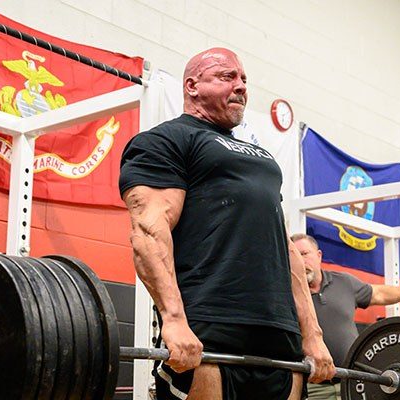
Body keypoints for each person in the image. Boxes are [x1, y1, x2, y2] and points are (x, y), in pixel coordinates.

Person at [119, 47, 336, 400]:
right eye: (227, 77)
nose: (241, 86)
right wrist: (173, 319)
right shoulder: (166, 140)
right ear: (191, 86)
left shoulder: (264, 160)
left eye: (244, 79)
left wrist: (312, 334)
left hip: (280, 335)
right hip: (211, 327)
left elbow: (286, 252)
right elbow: (149, 230)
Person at [290, 233, 400, 400]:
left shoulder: (344, 283)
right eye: (295, 256)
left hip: (353, 381)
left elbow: (379, 294)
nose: (300, 261)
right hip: (313, 388)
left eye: (304, 254)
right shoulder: (287, 293)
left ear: (319, 255)